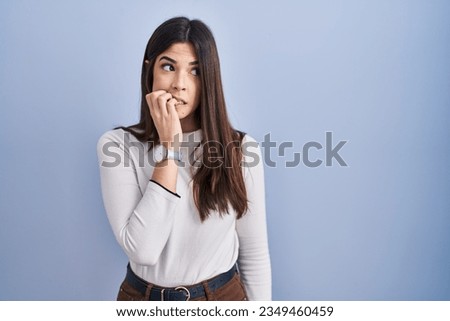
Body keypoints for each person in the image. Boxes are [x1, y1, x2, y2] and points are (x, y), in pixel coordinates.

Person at [96, 16, 271, 301]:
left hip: (222, 298)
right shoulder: (116, 146)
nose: (180, 84)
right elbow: (143, 250)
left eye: (196, 71)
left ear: (209, 78)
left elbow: (254, 254)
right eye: (168, 67)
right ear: (149, 70)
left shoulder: (241, 150)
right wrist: (170, 150)